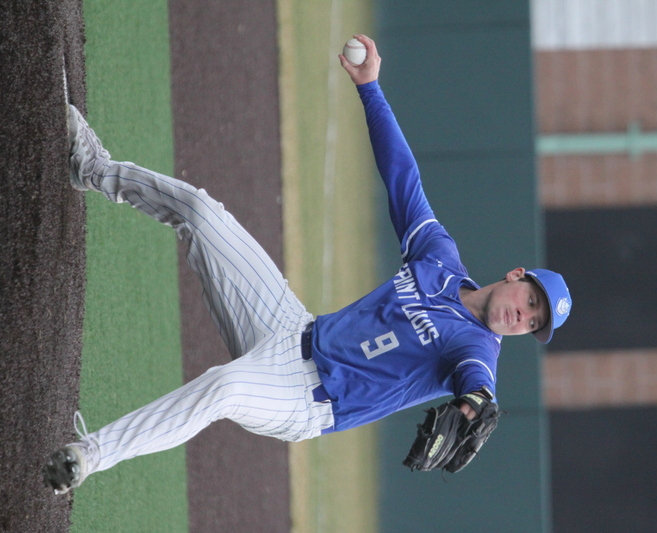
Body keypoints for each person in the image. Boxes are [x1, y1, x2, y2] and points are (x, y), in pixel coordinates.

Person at [43, 35, 571, 494]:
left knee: (223, 389)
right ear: (517, 276)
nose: (522, 317)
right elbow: (402, 178)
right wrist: (370, 88)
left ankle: (87, 455)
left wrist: (472, 408)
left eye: (534, 322)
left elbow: (477, 387)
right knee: (202, 213)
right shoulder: (440, 260)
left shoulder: (476, 349)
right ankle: (91, 168)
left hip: (303, 399)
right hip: (290, 326)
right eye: (531, 302)